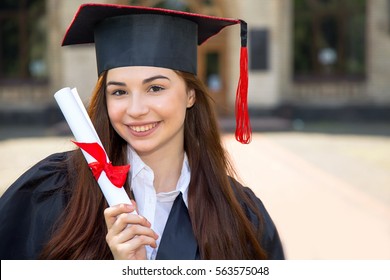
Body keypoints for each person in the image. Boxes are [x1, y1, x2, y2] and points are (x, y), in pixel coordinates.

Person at [0, 3, 284, 260]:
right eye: (119, 91)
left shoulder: (241, 216)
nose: (135, 109)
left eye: (155, 88)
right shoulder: (53, 192)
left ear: (190, 96)